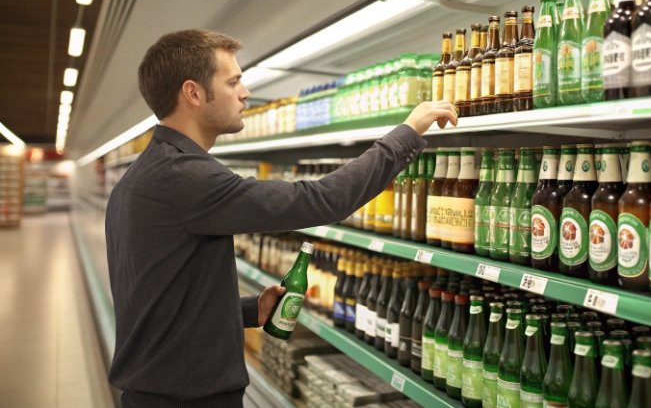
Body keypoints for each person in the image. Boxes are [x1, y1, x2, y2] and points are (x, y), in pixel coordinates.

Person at [105, 29, 458, 407]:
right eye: (234, 81)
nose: (245, 93)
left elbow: (157, 298)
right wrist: (407, 134)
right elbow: (320, 200)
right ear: (193, 93)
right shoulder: (184, 177)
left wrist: (246, 310)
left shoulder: (143, 177)